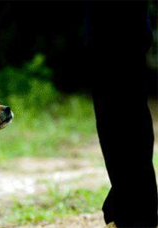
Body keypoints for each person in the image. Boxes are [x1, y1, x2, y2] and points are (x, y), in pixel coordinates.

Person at [85, 0, 158, 227]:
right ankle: (132, 209)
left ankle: (133, 213)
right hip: (124, 27)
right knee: (129, 116)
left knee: (119, 119)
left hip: (113, 29)